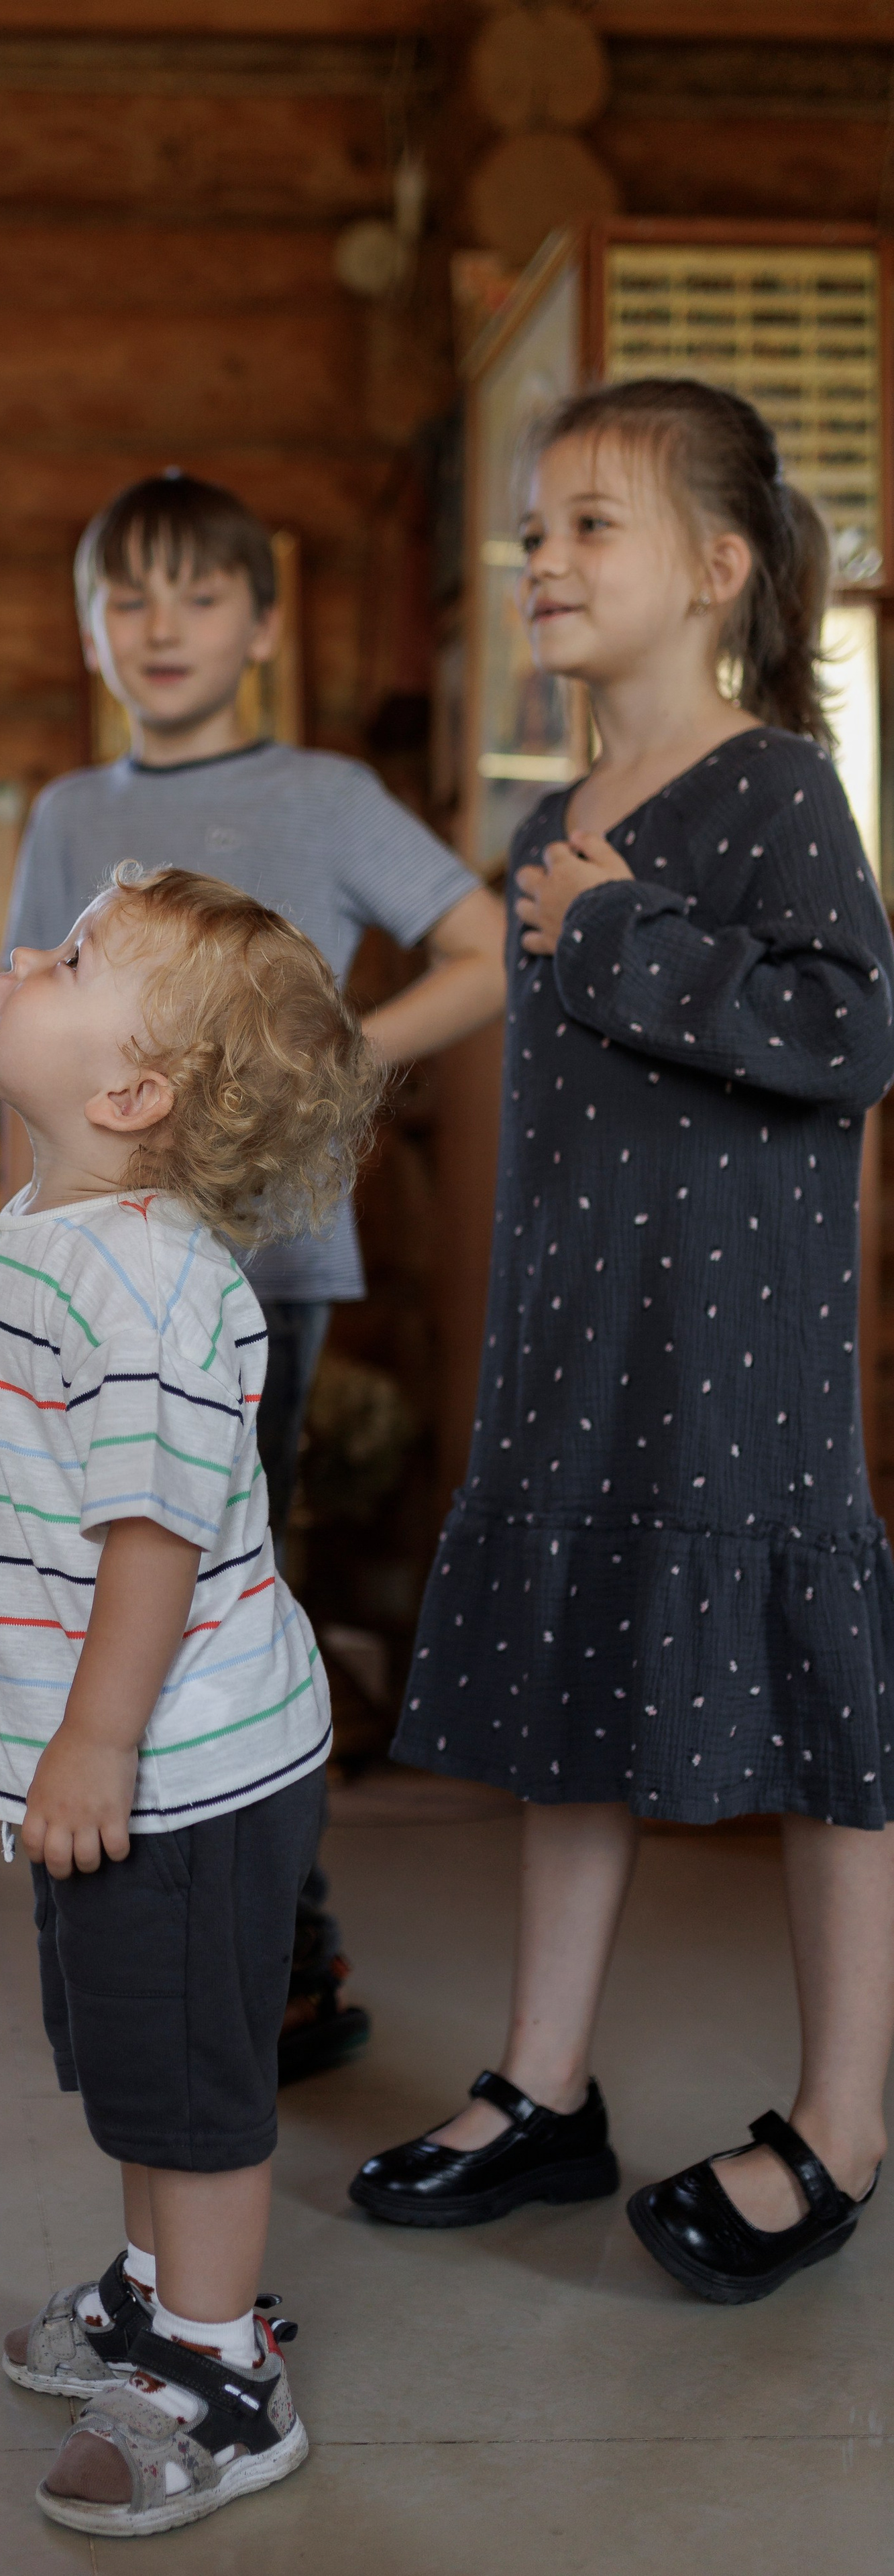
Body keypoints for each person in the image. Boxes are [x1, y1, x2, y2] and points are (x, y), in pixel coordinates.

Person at [354, 377, 894, 2305]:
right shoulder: (545, 819)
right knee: (574, 1701)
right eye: (534, 532)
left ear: (720, 569)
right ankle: (546, 2084)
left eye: (593, 525)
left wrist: (623, 943)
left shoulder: (775, 790)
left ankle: (841, 2125)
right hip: (576, 1343)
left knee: (829, 1727)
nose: (545, 561)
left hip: (740, 1356)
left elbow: (851, 1032)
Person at [1, 469, 508, 2083]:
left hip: (257, 1271)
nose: (159, 629)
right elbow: (24, 1046)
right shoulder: (69, 813)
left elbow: (487, 948)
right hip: (82, 1274)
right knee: (93, 1575)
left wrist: (319, 1064)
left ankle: (278, 1933)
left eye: (196, 597)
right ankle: (139, 1884)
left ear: (261, 623)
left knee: (223, 1594)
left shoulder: (330, 792)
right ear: (89, 629)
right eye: (126, 600)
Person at [0, 863, 383, 2536]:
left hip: (187, 1768)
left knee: (193, 2081)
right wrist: (7, 1632)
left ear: (131, 1094)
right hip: (141, 1735)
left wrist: (94, 1728)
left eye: (66, 959)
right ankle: (148, 2291)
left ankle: (216, 2367)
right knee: (134, 2054)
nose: (14, 962)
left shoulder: (137, 1278)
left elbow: (153, 1536)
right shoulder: (66, 1235)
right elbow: (68, 1504)